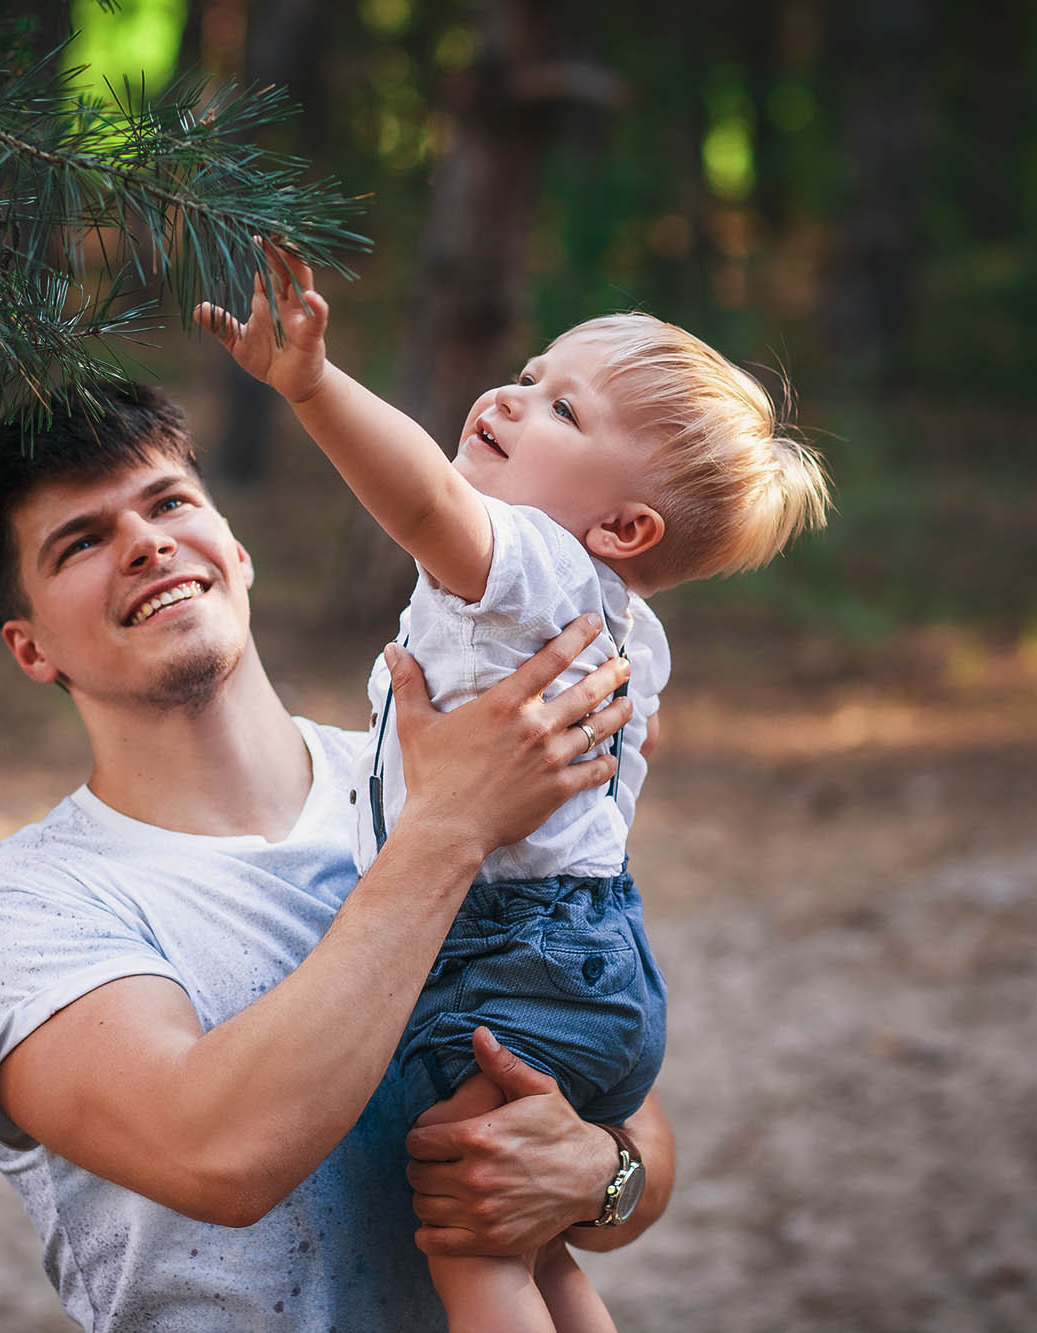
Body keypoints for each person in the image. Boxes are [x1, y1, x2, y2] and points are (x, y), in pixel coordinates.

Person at [0, 379, 677, 1332]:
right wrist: (451, 825)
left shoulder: (439, 768)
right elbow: (220, 1153)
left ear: (235, 551)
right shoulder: (19, 915)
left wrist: (593, 1173)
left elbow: (636, 1115)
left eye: (168, 504)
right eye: (81, 541)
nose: (146, 543)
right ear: (30, 648)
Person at [199, 242, 829, 1330]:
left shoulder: (531, 562)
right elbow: (617, 782)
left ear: (623, 528)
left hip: (503, 959)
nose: (509, 395)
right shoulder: (633, 629)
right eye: (531, 373)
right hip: (591, 958)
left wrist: (311, 385)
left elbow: (425, 500)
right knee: (530, 1249)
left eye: (562, 411)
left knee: (472, 1247)